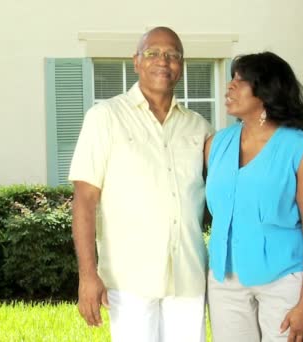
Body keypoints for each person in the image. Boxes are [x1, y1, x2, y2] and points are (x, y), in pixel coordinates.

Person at [69, 26, 214, 341]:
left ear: (182, 66)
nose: (163, 61)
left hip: (188, 278)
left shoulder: (199, 127)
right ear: (136, 61)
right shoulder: (104, 117)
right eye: (153, 53)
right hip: (129, 279)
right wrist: (87, 276)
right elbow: (84, 200)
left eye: (173, 55)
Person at [205, 51, 303, 342]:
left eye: (241, 80)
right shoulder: (216, 144)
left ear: (266, 91)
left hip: (286, 280)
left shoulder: (301, 149)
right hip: (225, 281)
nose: (230, 86)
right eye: (232, 79)